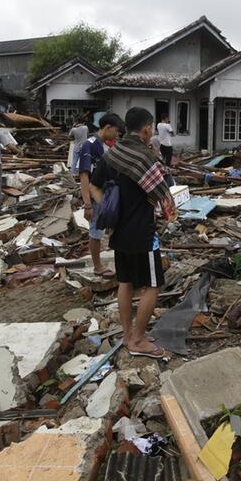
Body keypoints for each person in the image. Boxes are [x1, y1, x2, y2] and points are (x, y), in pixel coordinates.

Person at [90, 107, 176, 358]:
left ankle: (128, 333)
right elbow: (165, 198)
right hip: (143, 233)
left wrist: (108, 208)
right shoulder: (144, 158)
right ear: (147, 129)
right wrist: (170, 211)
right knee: (152, 285)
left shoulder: (112, 155)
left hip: (119, 232)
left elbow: (95, 187)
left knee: (125, 283)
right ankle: (138, 340)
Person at [78, 113, 124, 278]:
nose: (117, 135)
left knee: (112, 228)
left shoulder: (108, 146)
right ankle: (97, 266)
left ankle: (117, 262)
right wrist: (87, 204)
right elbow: (84, 175)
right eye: (116, 131)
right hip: (94, 195)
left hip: (108, 194)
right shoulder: (89, 145)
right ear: (108, 128)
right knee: (95, 231)